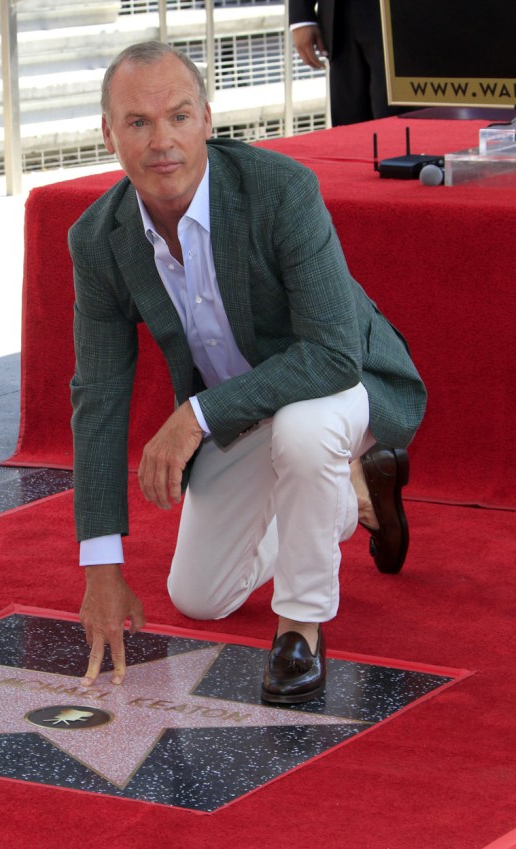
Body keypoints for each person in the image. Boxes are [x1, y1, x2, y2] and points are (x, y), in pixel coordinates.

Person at [69, 41, 426, 704]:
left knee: (305, 428)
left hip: (341, 382)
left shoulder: (277, 191)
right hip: (244, 416)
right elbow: (98, 395)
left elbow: (332, 354)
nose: (161, 141)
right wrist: (101, 564)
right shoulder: (99, 238)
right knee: (200, 596)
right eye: (138, 122)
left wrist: (194, 416)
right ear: (108, 133)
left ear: (208, 118)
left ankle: (302, 631)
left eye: (178, 116)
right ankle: (352, 497)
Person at [290, 0, 410, 126]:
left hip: (403, 18)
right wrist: (301, 17)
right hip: (340, 17)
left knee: (400, 128)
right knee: (349, 128)